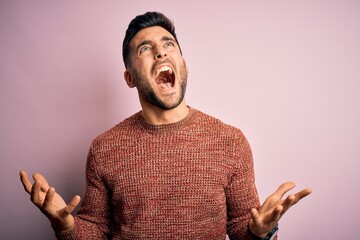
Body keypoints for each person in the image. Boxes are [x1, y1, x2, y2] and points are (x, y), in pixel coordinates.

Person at [20, 11, 312, 239]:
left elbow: (241, 230)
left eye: (168, 44)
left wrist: (260, 233)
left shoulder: (230, 142)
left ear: (183, 66)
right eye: (144, 49)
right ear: (130, 78)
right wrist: (66, 225)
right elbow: (96, 230)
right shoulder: (104, 149)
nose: (160, 53)